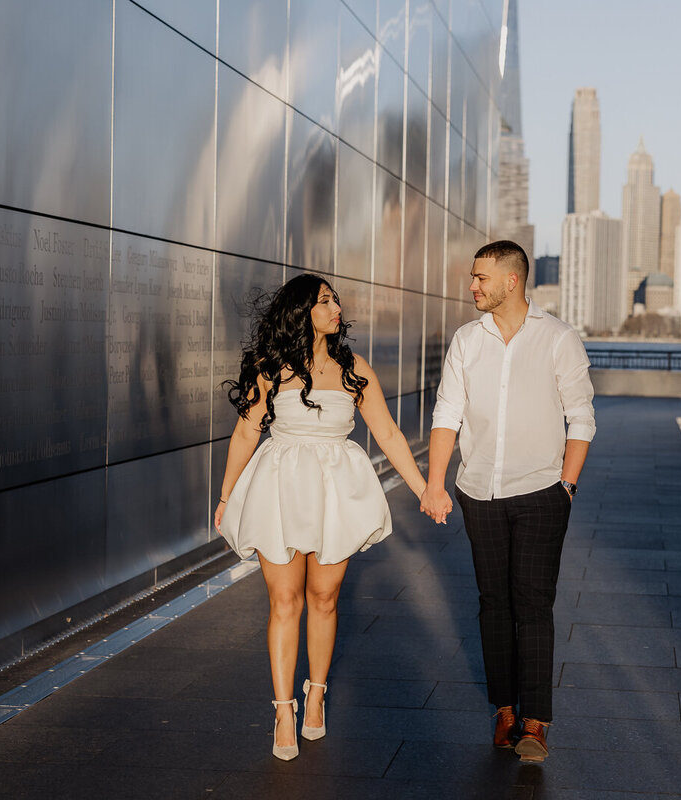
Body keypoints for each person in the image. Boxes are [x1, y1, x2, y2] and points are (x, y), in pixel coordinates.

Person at [215, 273, 447, 761]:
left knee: (323, 597)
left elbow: (386, 432)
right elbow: (244, 435)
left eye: (335, 300)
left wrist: (425, 488)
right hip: (278, 491)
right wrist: (225, 496)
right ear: (302, 312)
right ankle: (284, 709)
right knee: (285, 601)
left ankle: (315, 692)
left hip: (333, 494)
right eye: (324, 301)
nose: (336, 307)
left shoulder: (353, 368)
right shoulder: (269, 367)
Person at [419, 240, 595, 763]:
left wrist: (567, 487)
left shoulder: (558, 338)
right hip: (480, 493)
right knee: (493, 603)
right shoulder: (466, 341)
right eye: (473, 278)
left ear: (511, 280)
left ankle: (536, 720)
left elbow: (581, 417)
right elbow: (447, 412)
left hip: (543, 491)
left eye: (481, 278)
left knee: (533, 604)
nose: (472, 286)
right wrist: (435, 483)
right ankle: (504, 711)